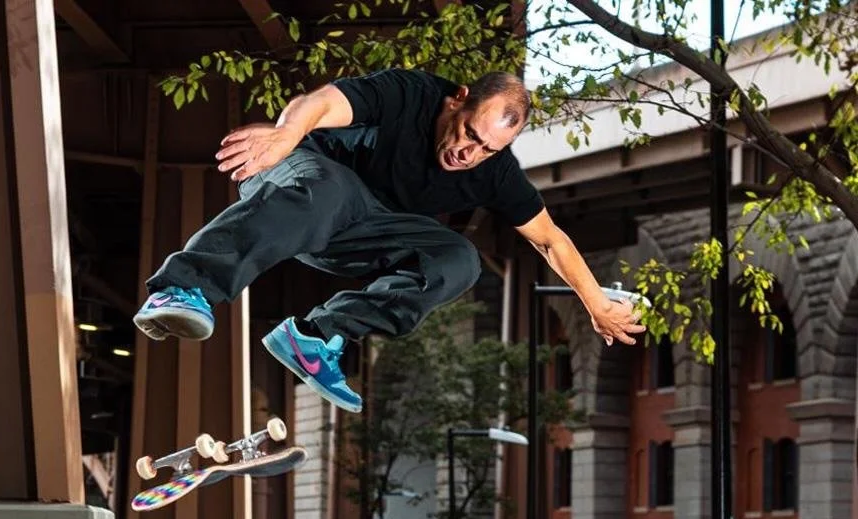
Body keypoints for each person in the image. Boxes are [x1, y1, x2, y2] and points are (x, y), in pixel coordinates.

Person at [134, 68, 645, 413]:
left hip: (356, 233)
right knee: (330, 190)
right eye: (469, 133)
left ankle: (316, 337)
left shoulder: (494, 173)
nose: (468, 154)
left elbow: (550, 239)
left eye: (487, 149)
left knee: (458, 259)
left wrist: (597, 304)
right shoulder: (410, 93)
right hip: (300, 180)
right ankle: (181, 287)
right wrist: (287, 134)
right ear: (457, 100)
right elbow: (321, 103)